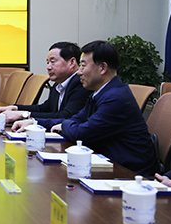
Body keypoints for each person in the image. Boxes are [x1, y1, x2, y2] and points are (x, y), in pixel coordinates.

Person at [32, 40, 158, 176]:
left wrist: (64, 125)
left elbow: (82, 133)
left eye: (83, 66)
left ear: (103, 68)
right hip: (109, 165)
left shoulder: (115, 98)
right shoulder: (100, 93)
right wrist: (34, 122)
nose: (79, 72)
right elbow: (76, 120)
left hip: (129, 173)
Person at [0, 42, 90, 126]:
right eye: (48, 62)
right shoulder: (58, 84)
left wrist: (24, 115)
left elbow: (66, 116)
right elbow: (45, 108)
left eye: (53, 62)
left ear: (72, 62)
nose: (48, 67)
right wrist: (16, 108)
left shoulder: (81, 84)